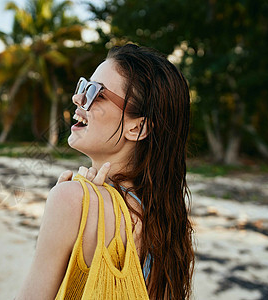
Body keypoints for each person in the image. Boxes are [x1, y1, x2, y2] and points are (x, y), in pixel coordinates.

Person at [15, 43, 194, 299]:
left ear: (137, 129)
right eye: (83, 87)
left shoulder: (73, 200)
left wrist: (73, 200)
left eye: (96, 93)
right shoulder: (166, 216)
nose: (78, 98)